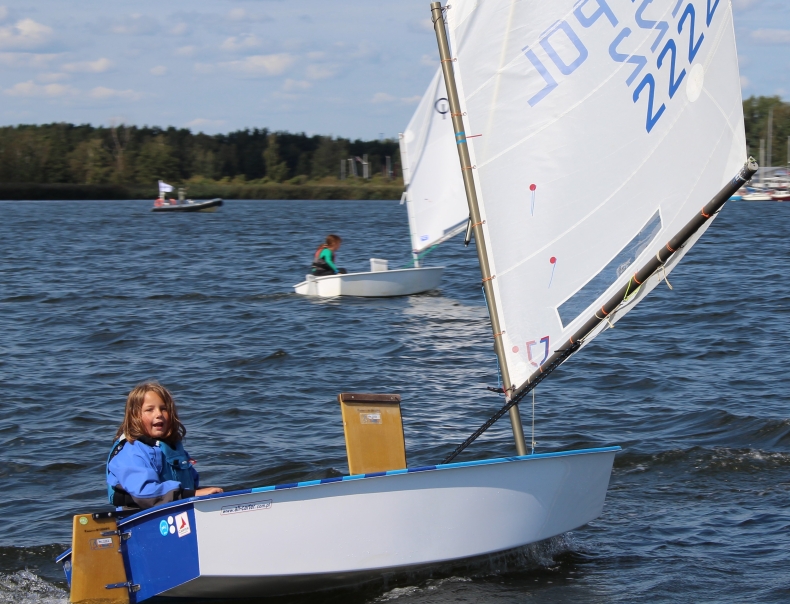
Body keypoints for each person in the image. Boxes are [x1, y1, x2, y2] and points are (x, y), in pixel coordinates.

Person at [107, 382, 223, 509]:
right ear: (135, 416)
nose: (159, 414)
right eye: (149, 410)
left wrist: (205, 494)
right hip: (141, 518)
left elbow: (192, 484)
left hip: (177, 510)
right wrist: (194, 494)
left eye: (164, 408)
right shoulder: (131, 451)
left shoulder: (173, 448)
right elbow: (146, 493)